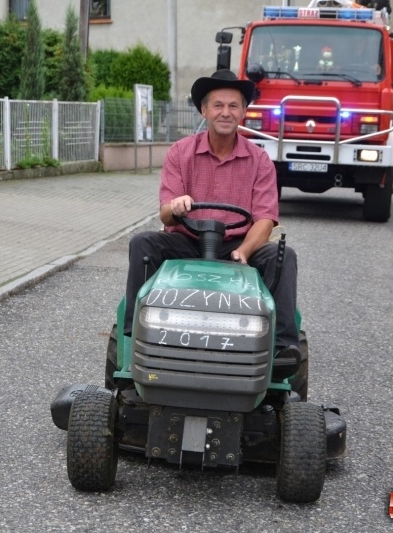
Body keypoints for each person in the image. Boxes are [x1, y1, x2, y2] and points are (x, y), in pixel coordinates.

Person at [123, 69, 302, 377]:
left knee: (282, 257)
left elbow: (264, 219)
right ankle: (133, 336)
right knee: (142, 244)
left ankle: (284, 346)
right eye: (218, 105)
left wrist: (245, 251)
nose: (226, 112)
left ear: (244, 112)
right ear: (204, 110)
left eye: (234, 106)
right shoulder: (181, 152)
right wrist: (176, 206)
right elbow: (165, 214)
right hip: (187, 242)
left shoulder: (258, 160)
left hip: (235, 245)